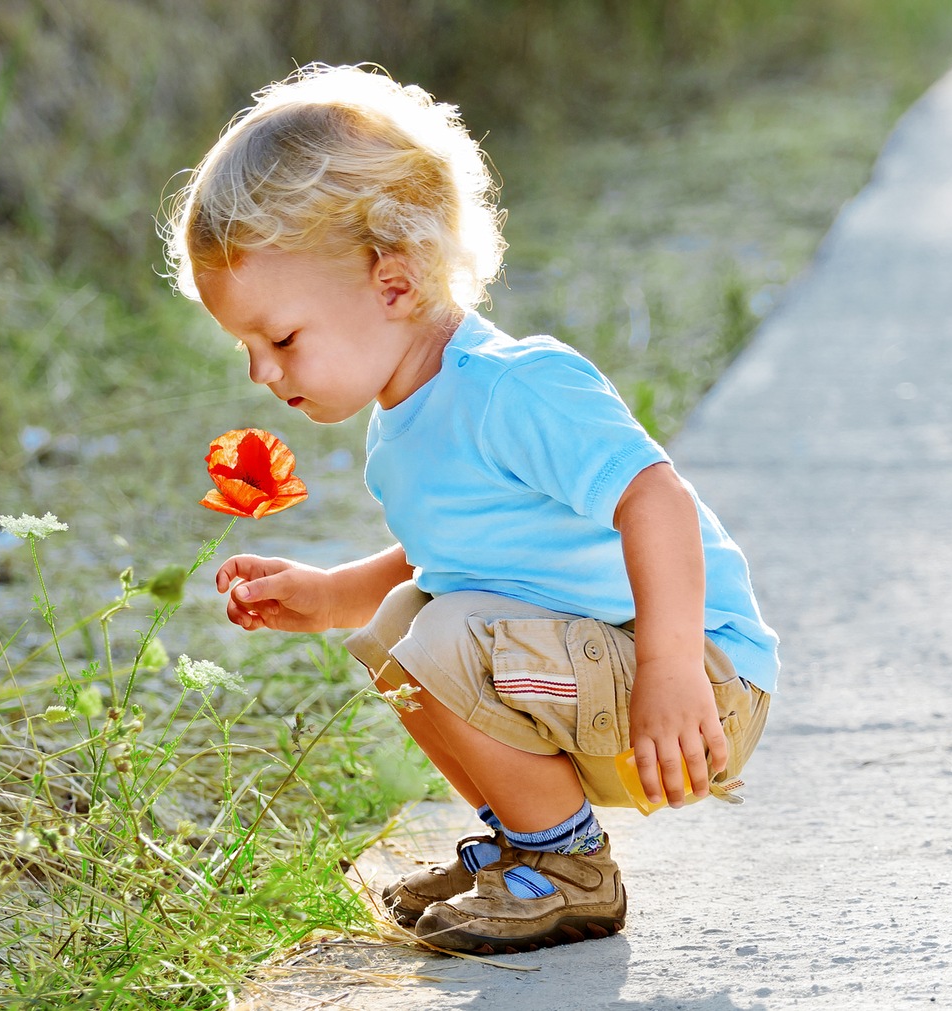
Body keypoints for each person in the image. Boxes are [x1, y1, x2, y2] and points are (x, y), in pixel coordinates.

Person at [163, 63, 779, 955]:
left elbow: (658, 500)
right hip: (601, 667)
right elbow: (448, 562)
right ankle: (524, 851)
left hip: (701, 679)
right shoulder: (404, 426)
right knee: (392, 625)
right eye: (246, 346)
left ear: (393, 283)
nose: (261, 372)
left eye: (281, 337)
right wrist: (329, 593)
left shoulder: (509, 386)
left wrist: (674, 666)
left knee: (440, 637)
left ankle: (568, 869)